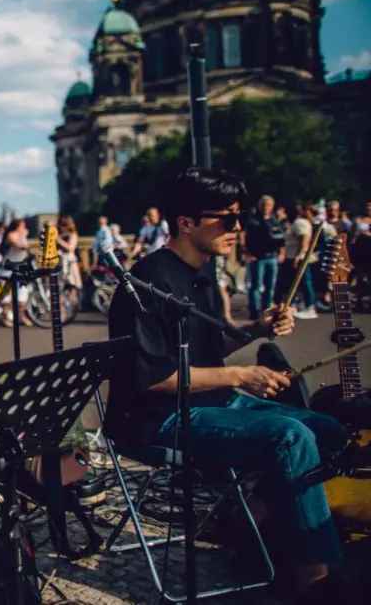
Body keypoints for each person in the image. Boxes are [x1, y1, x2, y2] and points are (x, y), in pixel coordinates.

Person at [107, 168, 349, 603]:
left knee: (328, 429)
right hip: (158, 418)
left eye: (240, 218)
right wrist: (242, 375)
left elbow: (206, 347)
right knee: (291, 438)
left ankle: (248, 517)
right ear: (186, 222)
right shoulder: (148, 284)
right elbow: (155, 380)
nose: (238, 229)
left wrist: (255, 329)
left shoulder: (202, 274)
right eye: (227, 219)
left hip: (211, 401)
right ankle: (314, 578)